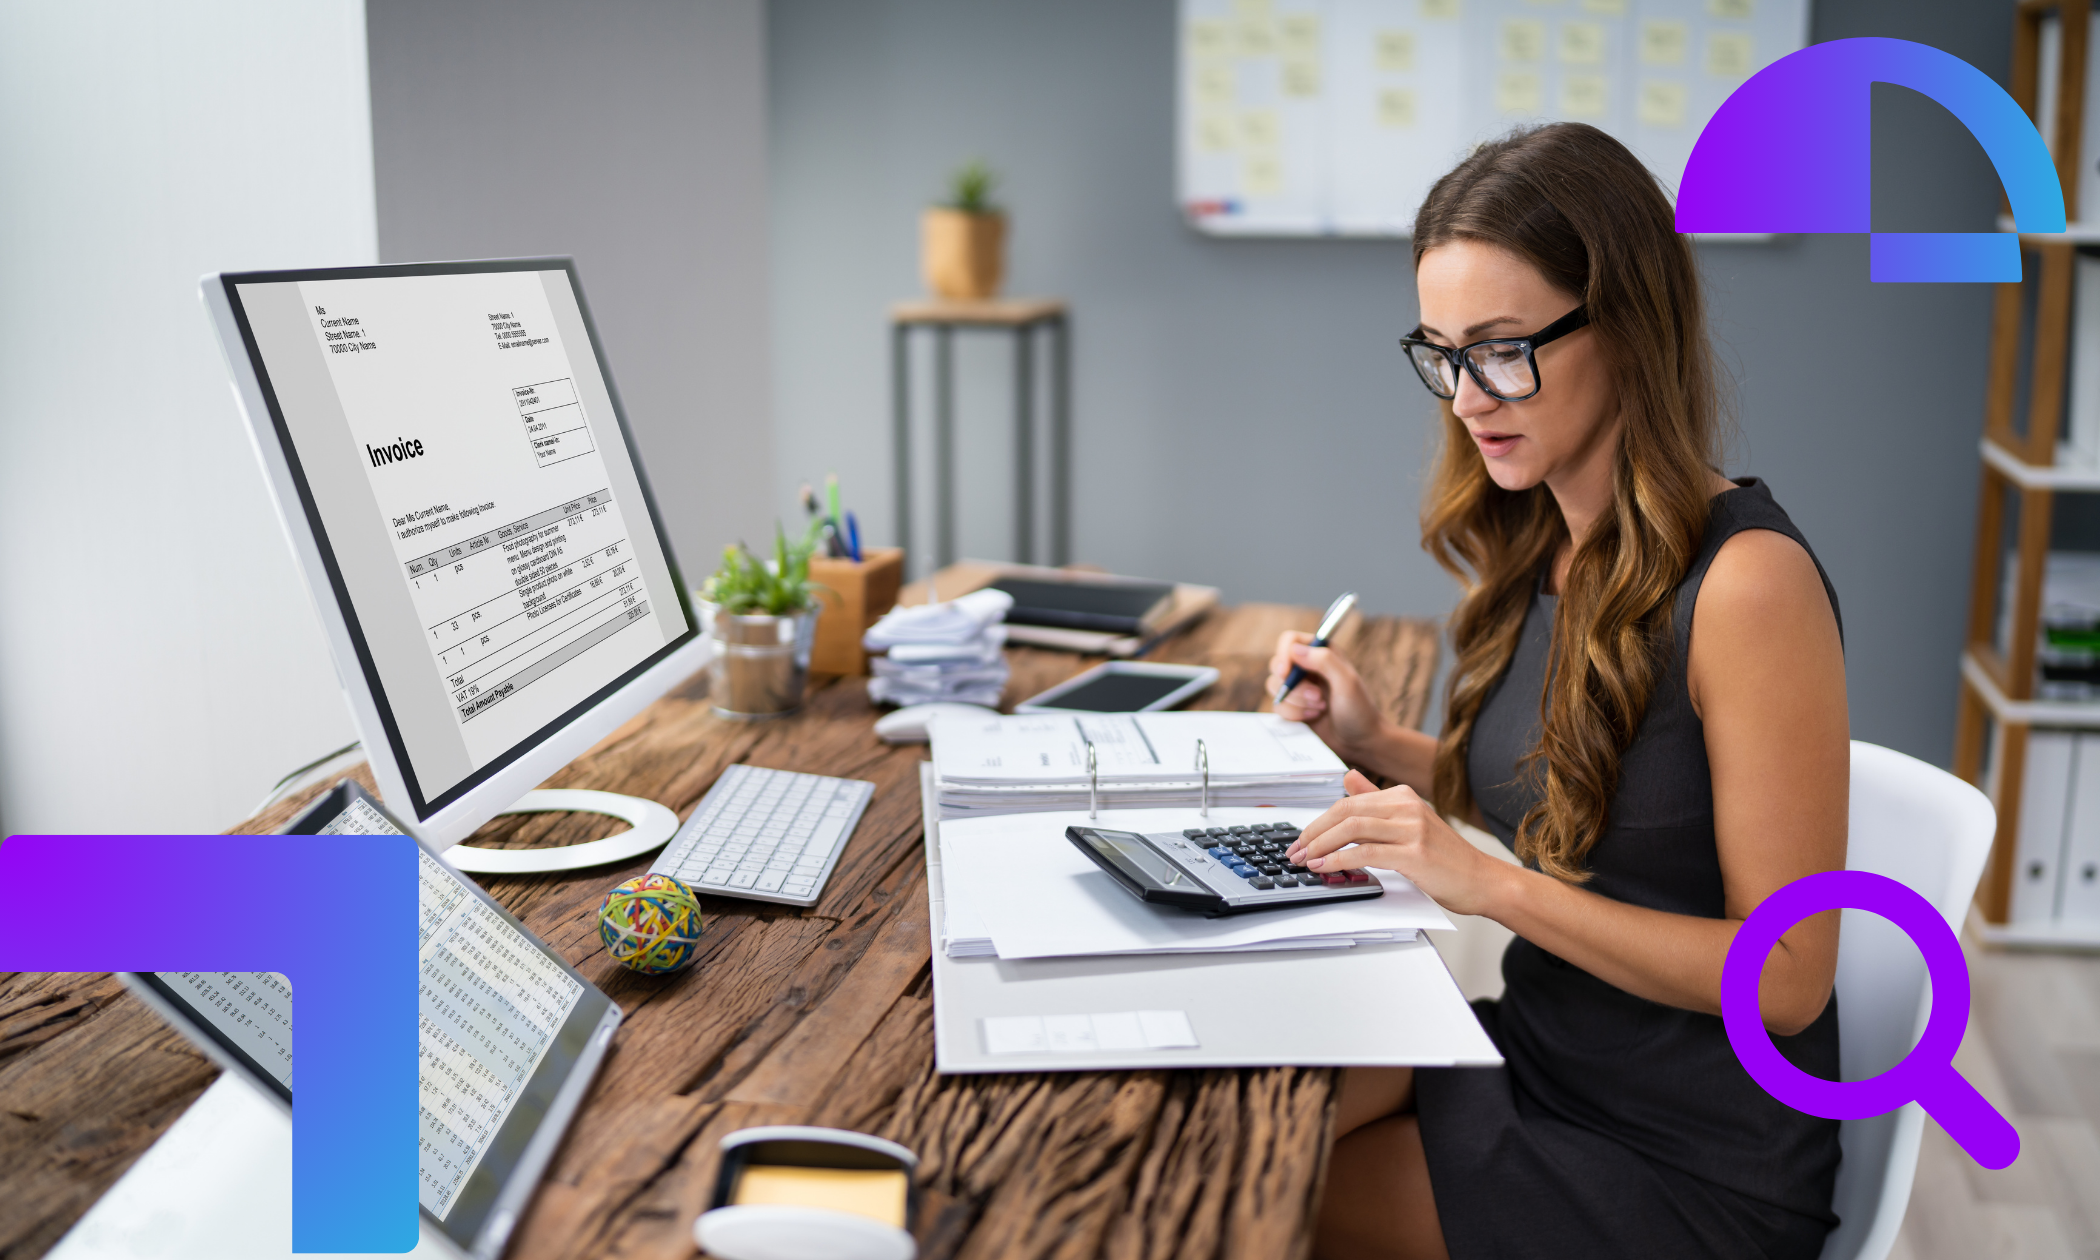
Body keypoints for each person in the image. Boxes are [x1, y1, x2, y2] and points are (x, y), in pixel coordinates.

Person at [1266, 122, 1848, 1260]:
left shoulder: (1746, 585)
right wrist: (1382, 740)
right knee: (1246, 1118)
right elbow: (1592, 810)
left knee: (1259, 1204)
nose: (1469, 398)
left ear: (1625, 324)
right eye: (1442, 354)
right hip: (1547, 1050)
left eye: (1502, 348)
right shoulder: (1552, 542)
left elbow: (1787, 978)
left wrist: (1489, 887)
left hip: (1690, 1158)